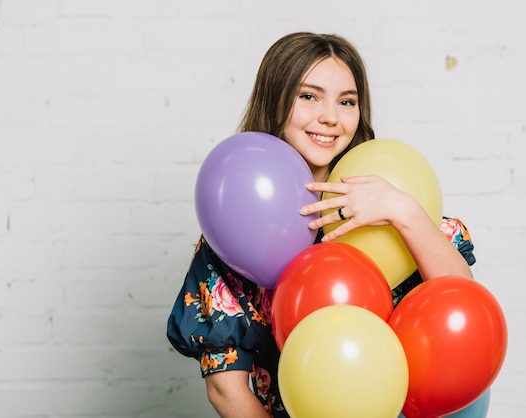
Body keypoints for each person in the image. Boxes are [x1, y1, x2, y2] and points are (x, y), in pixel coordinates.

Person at [166, 32, 476, 418]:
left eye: (347, 101)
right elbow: (225, 390)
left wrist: (404, 212)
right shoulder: (237, 228)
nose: (330, 116)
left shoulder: (394, 192)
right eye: (308, 96)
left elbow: (464, 308)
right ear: (275, 100)